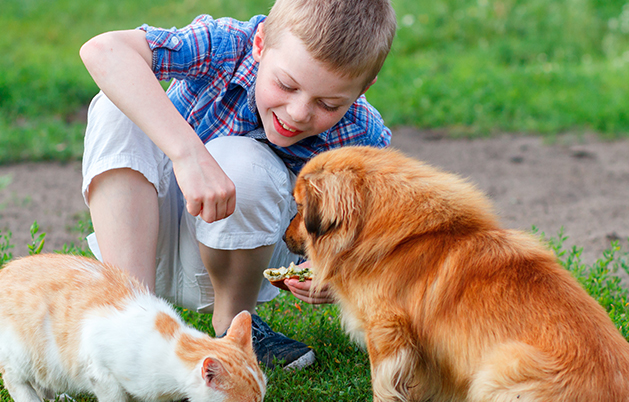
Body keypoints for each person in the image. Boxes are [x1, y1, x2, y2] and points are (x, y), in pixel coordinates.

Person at [78, 0, 396, 370]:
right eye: (286, 84)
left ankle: (234, 331)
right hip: (143, 238)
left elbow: (384, 239)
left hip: (247, 260)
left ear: (363, 89)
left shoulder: (361, 134)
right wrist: (188, 155)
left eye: (328, 103)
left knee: (246, 162)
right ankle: (132, 321)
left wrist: (344, 272)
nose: (298, 113)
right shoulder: (227, 45)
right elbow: (104, 50)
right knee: (115, 104)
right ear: (261, 44)